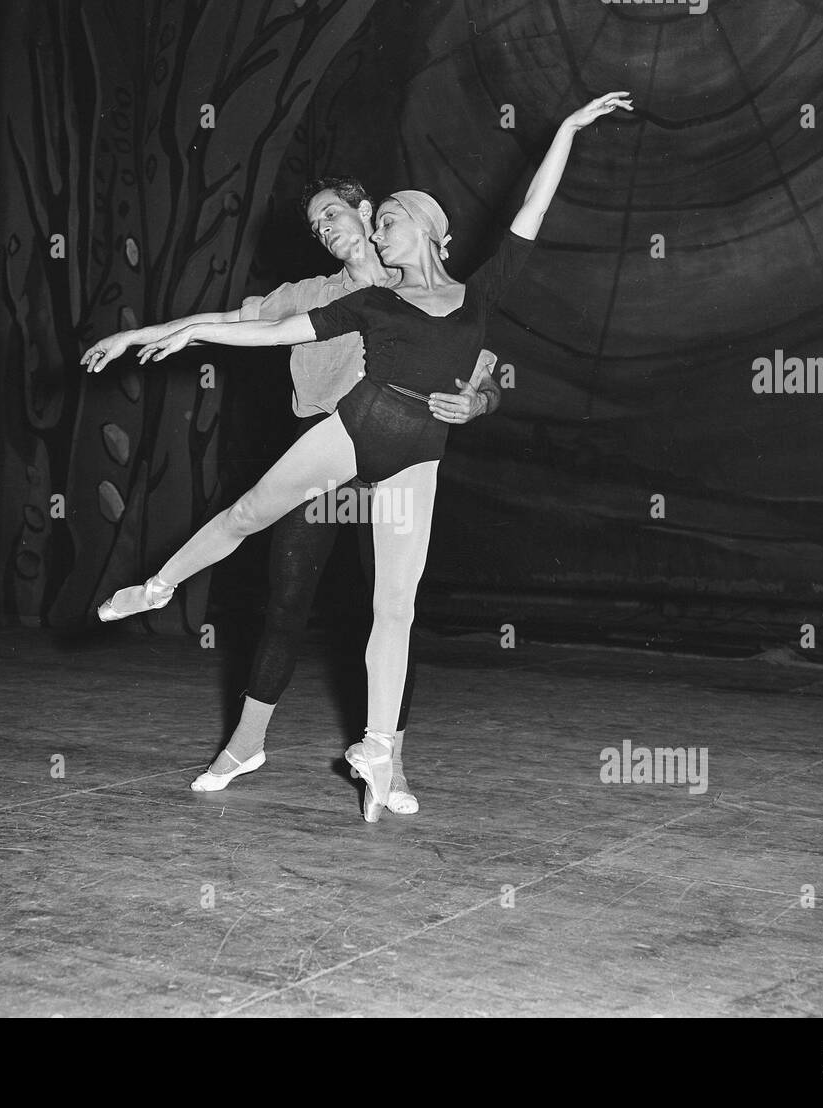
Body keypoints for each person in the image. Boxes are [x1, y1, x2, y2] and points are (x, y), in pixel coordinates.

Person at [86, 92, 634, 822]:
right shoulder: (356, 304)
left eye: (369, 219)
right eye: (331, 224)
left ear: (426, 230)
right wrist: (171, 333)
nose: (354, 231)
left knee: (396, 607)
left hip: (418, 456)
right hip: (353, 428)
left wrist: (566, 127)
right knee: (253, 516)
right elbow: (262, 331)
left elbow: (530, 216)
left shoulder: (477, 298)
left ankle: (382, 749)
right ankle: (159, 586)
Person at [86, 177, 501, 815]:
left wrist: (475, 402)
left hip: (399, 456)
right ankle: (244, 745)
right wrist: (138, 336)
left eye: (333, 214)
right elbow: (230, 324)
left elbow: (488, 374)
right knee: (286, 602)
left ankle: (391, 763)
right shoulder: (306, 296)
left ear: (370, 214)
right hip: (327, 446)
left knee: (391, 610)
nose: (326, 229)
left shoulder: (417, 286)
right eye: (316, 226)